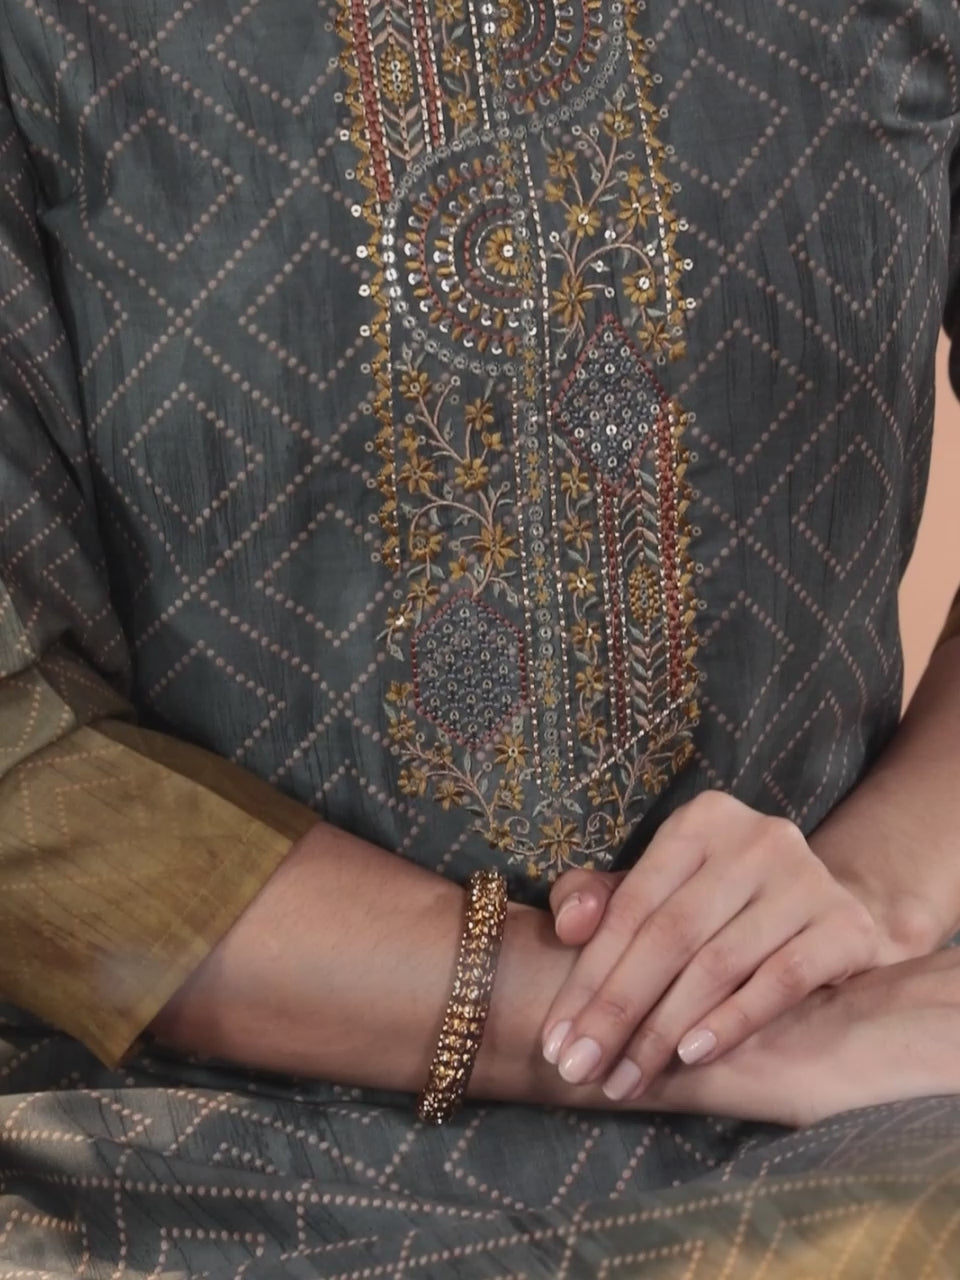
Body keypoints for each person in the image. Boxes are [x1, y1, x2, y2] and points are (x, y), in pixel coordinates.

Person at [2, 0, 960, 1273]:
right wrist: (702, 1032)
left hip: (863, 1083)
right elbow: (22, 772)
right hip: (168, 1135)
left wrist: (879, 895)